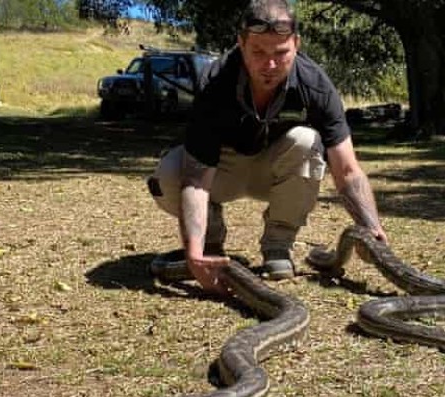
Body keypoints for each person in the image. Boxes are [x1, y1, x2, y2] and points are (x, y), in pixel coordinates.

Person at [147, 0, 387, 295]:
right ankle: (210, 243)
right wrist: (193, 253)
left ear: (296, 44)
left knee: (308, 142)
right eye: (258, 52)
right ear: (241, 45)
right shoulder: (215, 82)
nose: (270, 65)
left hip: (275, 172)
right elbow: (196, 181)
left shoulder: (316, 84)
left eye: (281, 53)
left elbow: (348, 170)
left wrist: (369, 227)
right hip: (223, 170)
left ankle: (278, 246)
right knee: (171, 171)